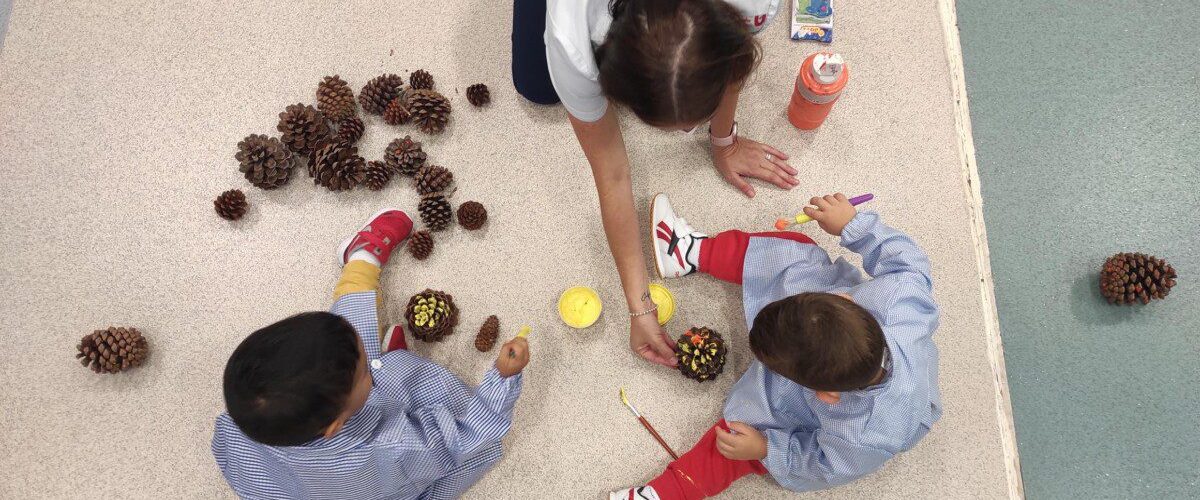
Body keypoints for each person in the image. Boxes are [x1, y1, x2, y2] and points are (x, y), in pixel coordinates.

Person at [512, 0, 799, 367]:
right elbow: (611, 172)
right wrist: (638, 306)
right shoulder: (573, 41)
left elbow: (734, 62)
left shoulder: (752, 5)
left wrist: (725, 141)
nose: (686, 133)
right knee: (537, 87)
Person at [610, 193, 941, 499]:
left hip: (825, 412)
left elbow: (820, 467)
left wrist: (768, 449)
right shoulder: (901, 299)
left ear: (823, 395)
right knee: (797, 251)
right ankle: (689, 252)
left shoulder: (861, 437)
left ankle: (662, 494)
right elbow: (908, 261)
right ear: (842, 299)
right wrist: (853, 224)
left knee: (736, 442)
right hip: (832, 342)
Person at [211, 209, 531, 500]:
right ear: (335, 426)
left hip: (291, 483)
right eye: (366, 371)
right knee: (477, 449)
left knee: (343, 346)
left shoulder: (252, 421)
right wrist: (504, 378)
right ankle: (363, 269)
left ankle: (359, 262)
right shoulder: (394, 449)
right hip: (379, 479)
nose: (369, 365)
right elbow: (465, 437)